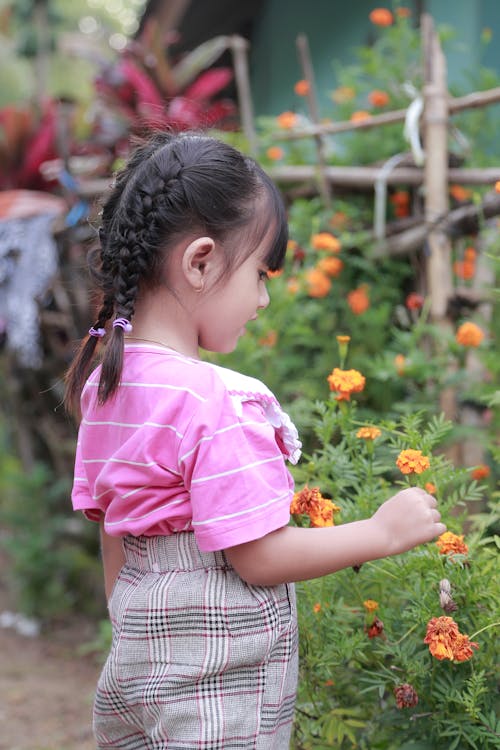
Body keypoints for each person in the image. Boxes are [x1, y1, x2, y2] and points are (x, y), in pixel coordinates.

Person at [66, 131, 445, 749]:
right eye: (261, 276)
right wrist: (381, 533)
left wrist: (146, 633)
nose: (264, 300)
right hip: (217, 687)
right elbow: (258, 556)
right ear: (201, 261)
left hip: (134, 673)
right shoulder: (216, 402)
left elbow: (114, 528)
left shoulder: (106, 385)